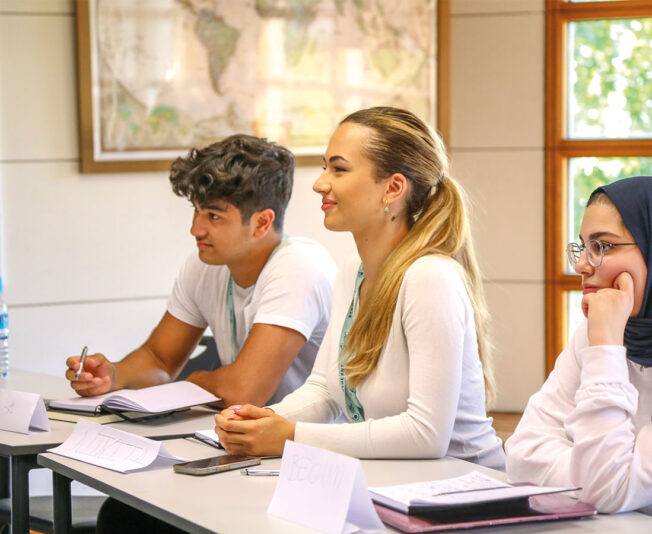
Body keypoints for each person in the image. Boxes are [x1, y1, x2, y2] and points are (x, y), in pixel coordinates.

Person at [213, 107, 505, 468]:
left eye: (339, 169)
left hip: (463, 491)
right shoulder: (353, 271)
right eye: (325, 167)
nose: (320, 183)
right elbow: (325, 392)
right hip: (395, 483)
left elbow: (425, 434)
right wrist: (258, 422)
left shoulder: (430, 277)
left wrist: (291, 437)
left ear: (393, 188)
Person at [64, 134, 336, 408]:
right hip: (244, 438)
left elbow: (243, 393)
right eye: (196, 211)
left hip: (308, 444)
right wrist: (113, 375)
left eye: (214, 216)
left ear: (262, 222)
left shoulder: (299, 267)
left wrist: (192, 381)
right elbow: (158, 359)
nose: (195, 229)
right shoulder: (206, 264)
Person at [505, 176, 652, 513]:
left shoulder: (602, 337)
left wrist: (606, 347)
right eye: (583, 246)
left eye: (603, 246)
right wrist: (602, 478)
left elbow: (604, 491)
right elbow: (522, 455)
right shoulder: (597, 332)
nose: (581, 265)